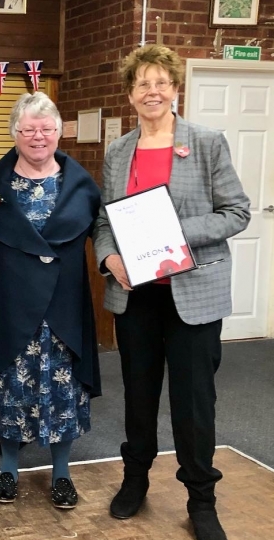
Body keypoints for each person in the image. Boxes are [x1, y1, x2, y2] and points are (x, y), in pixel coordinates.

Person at [93, 45, 250, 540]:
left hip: (193, 293)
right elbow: (104, 221)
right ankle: (134, 480)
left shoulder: (205, 142)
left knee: (194, 402)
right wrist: (107, 257)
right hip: (136, 295)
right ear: (130, 94)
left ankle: (202, 499)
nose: (152, 91)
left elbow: (236, 212)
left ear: (176, 89)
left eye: (161, 82)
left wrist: (177, 231)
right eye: (142, 84)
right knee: (138, 396)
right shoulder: (119, 151)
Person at [0, 92, 101, 509]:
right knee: (10, 385)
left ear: (59, 132)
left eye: (46, 129)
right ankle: (8, 468)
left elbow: (109, 233)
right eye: (28, 129)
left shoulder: (81, 186)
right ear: (15, 134)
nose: (38, 137)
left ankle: (61, 473)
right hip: (7, 299)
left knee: (63, 390)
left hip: (63, 302)